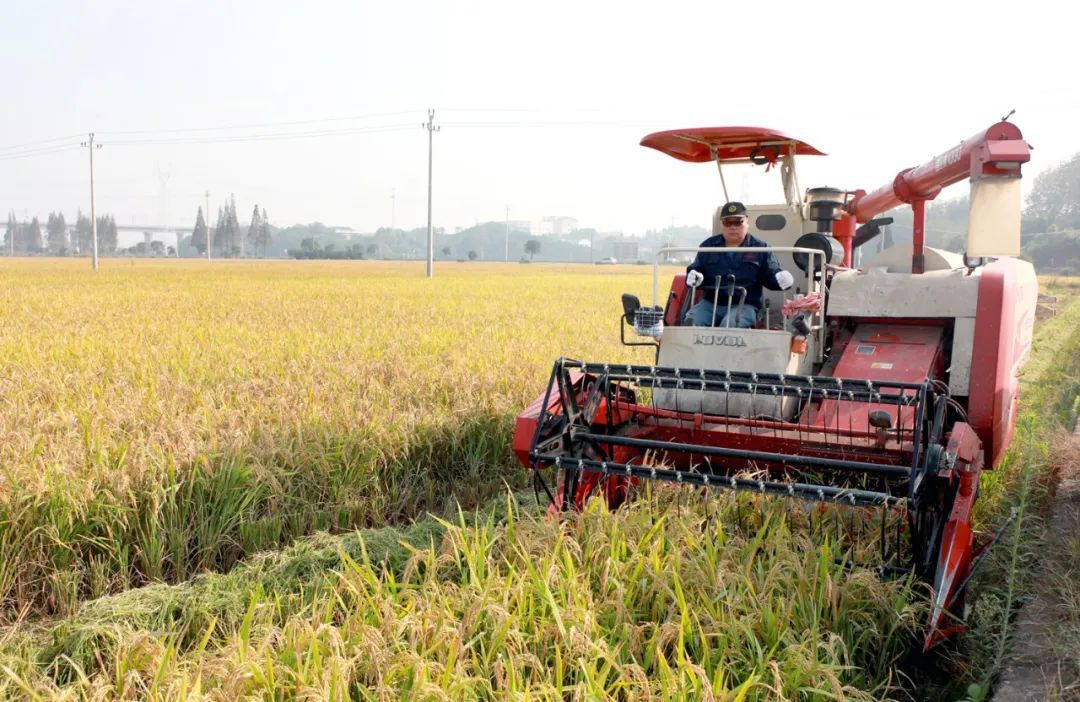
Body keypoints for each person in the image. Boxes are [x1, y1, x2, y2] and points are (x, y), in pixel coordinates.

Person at [684, 202, 794, 328]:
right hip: (711, 303)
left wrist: (782, 279)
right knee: (691, 323)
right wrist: (693, 276)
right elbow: (695, 270)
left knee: (730, 325)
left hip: (745, 305)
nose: (733, 227)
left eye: (738, 222)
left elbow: (771, 276)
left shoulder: (760, 248)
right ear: (722, 224)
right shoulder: (708, 246)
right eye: (728, 222)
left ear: (747, 222)